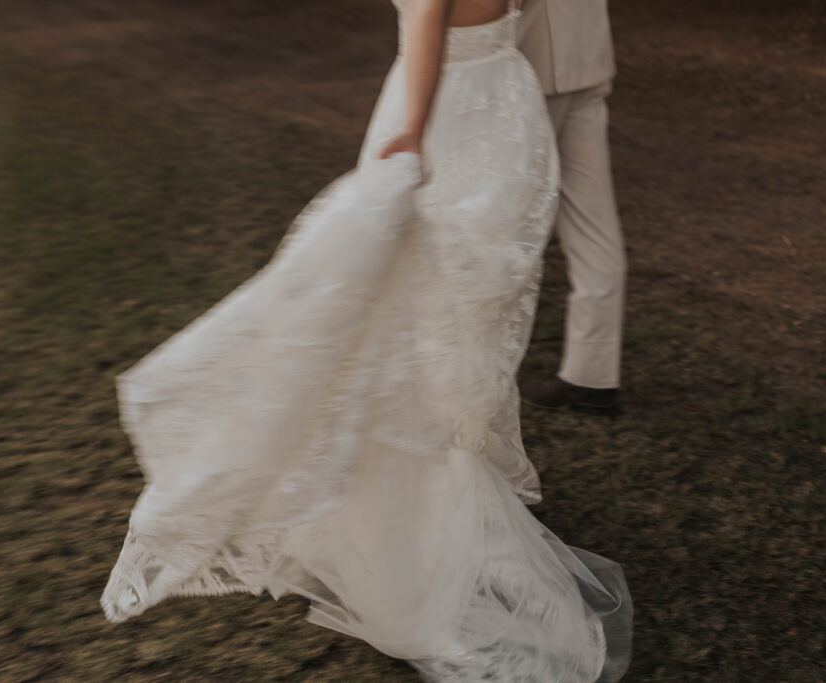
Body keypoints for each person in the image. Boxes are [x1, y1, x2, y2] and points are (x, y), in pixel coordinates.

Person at [100, 1, 632, 680]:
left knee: (397, 315)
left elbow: (428, 28)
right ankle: (450, 490)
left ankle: (418, 524)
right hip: (507, 99)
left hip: (445, 109)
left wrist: (408, 136)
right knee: (448, 325)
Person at [517, 0, 627, 414]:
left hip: (529, 68)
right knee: (593, 226)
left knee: (502, 227)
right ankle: (591, 374)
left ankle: (471, 365)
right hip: (587, 58)